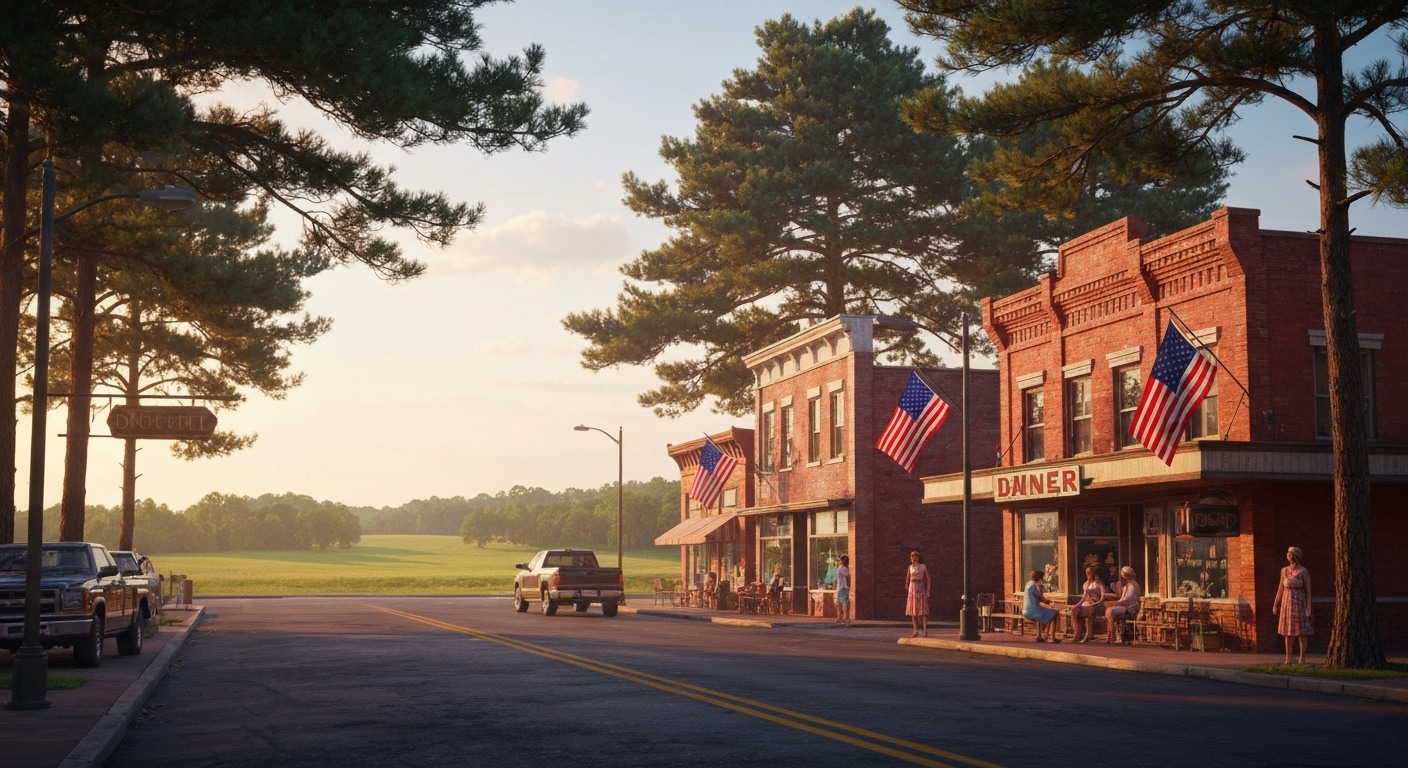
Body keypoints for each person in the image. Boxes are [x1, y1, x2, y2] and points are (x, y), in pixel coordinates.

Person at [1272, 546, 1313, 664]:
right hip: (1287, 602)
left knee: (1301, 632)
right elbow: (1280, 588)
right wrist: (1276, 604)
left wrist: (1308, 606)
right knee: (1288, 632)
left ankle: (1302, 658)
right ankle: (1288, 658)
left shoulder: (1303, 571)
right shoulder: (1284, 570)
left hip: (1299, 602)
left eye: (1290, 554)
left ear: (1294, 556)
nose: (1288, 556)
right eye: (1287, 554)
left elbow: (1308, 590)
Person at [1104, 566, 1141, 644]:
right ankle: (1110, 634)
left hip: (1131, 607)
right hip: (1125, 606)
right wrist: (1117, 602)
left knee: (1110, 611)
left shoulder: (1132, 585)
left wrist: (1118, 603)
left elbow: (1128, 598)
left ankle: (1112, 635)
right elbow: (1123, 599)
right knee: (1108, 609)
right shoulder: (1127, 586)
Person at [1023, 570, 1061, 643]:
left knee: (1049, 613)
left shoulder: (1028, 584)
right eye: (1042, 577)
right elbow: (1042, 599)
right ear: (1040, 578)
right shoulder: (1036, 586)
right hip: (1033, 611)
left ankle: (1041, 635)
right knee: (1055, 613)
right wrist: (1041, 588)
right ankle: (1052, 637)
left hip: (1026, 609)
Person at [1070, 565, 1105, 643]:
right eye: (1087, 572)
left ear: (1093, 573)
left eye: (1089, 572)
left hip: (1094, 602)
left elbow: (1102, 596)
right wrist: (1077, 605)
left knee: (1088, 613)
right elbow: (1083, 597)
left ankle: (1088, 635)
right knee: (1074, 610)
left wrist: (1096, 603)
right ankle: (1077, 633)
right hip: (1085, 602)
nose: (1088, 573)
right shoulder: (1085, 584)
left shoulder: (1098, 583)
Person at [904, 550, 931, 638]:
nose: (913, 559)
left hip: (920, 587)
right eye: (912, 557)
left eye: (915, 557)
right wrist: (908, 588)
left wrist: (927, 591)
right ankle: (915, 630)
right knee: (913, 612)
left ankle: (925, 631)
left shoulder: (923, 567)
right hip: (912, 589)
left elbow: (928, 579)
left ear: (918, 558)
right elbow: (907, 580)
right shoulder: (910, 567)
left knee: (923, 611)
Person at [833, 555, 852, 628]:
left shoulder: (842, 568)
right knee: (840, 603)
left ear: (843, 561)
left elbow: (847, 577)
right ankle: (841, 617)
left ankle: (844, 618)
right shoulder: (843, 568)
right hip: (841, 588)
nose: (839, 561)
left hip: (842, 588)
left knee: (842, 603)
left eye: (840, 560)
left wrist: (847, 586)